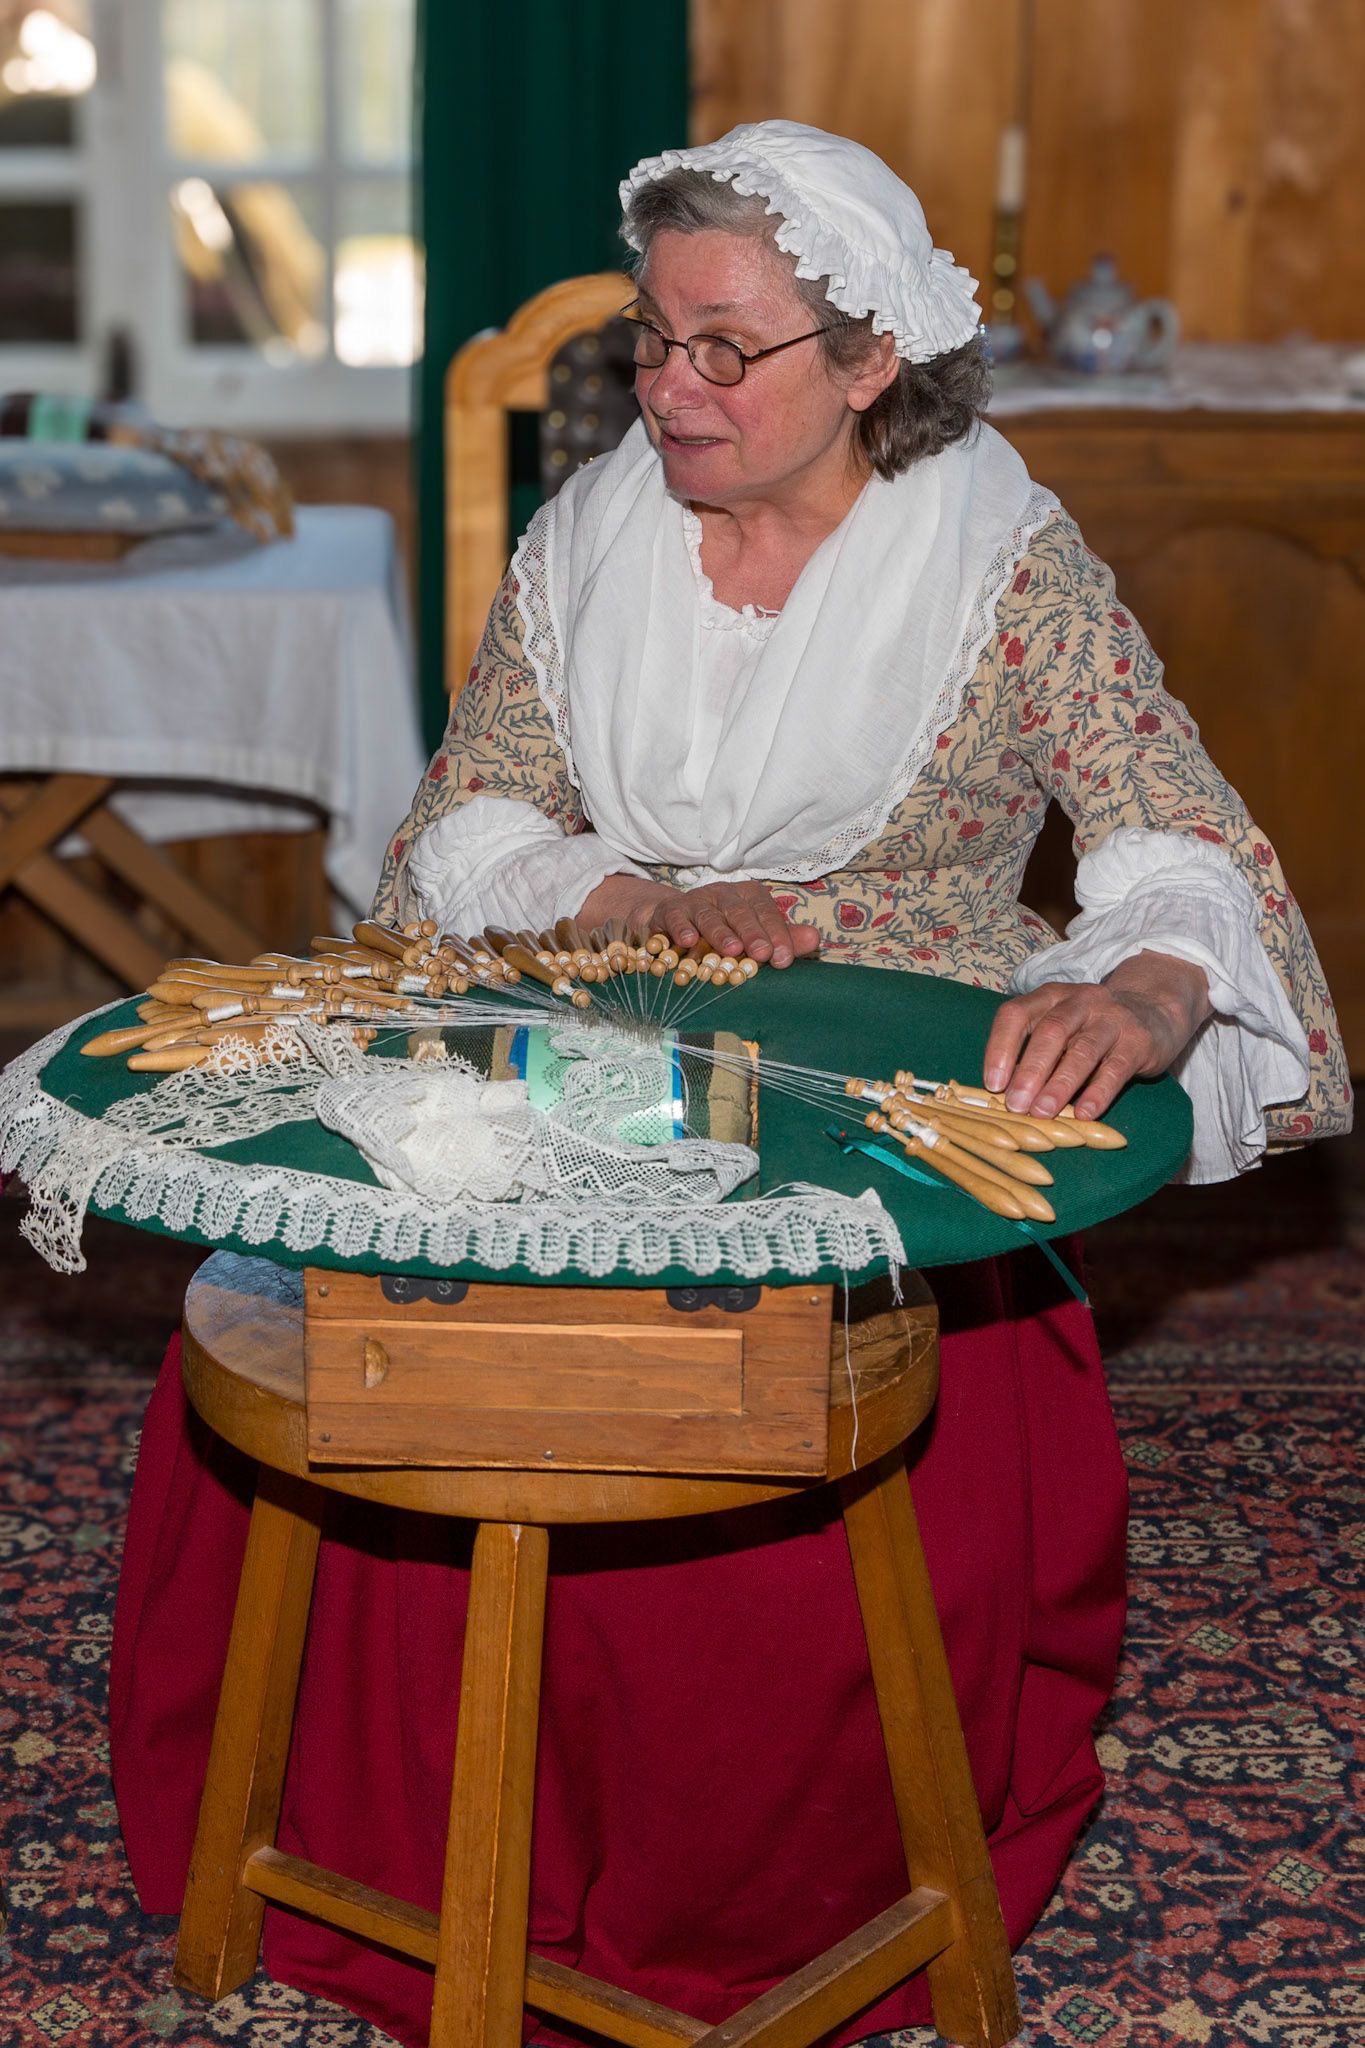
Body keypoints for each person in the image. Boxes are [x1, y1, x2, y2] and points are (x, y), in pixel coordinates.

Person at [110, 124, 1351, 2047]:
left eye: (724, 351)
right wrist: (616, 889)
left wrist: (1155, 982)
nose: (669, 390)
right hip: (586, 1028)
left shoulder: (998, 558)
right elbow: (470, 817)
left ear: (867, 362)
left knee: (785, 1395)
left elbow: (1167, 824)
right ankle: (401, 1832)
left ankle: (789, 1868)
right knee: (375, 1292)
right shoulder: (593, 535)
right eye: (649, 343)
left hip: (886, 1068)